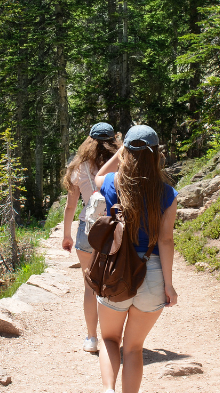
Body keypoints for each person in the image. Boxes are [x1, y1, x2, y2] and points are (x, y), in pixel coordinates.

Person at [93, 124, 177, 393]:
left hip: (115, 269)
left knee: (108, 339)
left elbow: (98, 175)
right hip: (151, 274)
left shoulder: (111, 183)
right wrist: (169, 284)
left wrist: (122, 151)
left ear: (126, 152)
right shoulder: (167, 193)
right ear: (156, 154)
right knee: (133, 347)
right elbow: (165, 240)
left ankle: (108, 390)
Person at [61, 122, 121, 353]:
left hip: (87, 228)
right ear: (113, 140)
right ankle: (112, 337)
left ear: (89, 141)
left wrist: (67, 235)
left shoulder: (79, 168)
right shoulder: (122, 164)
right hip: (115, 229)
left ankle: (91, 338)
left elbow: (70, 206)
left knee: (90, 287)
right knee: (113, 283)